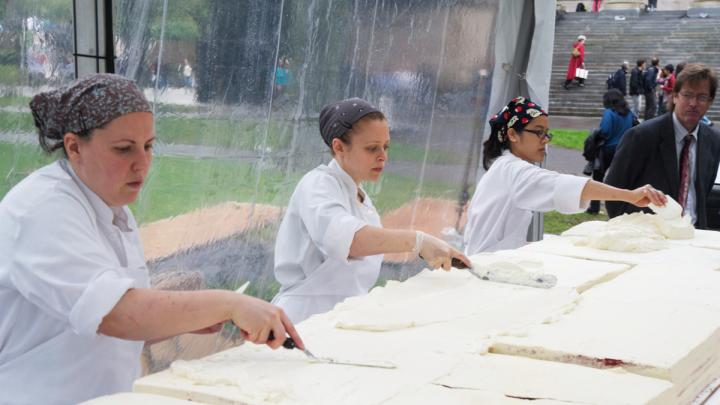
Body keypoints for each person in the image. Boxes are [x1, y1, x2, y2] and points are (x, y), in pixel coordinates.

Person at [0, 74, 303, 405]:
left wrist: (194, 315)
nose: (142, 163)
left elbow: (116, 322)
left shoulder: (112, 205)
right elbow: (116, 314)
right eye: (123, 149)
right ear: (74, 147)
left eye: (148, 146)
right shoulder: (41, 210)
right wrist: (228, 303)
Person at [271, 98, 471, 323]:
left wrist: (426, 248)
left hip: (339, 319)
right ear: (338, 147)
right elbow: (350, 241)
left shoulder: (362, 201)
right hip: (302, 319)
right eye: (372, 148)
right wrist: (419, 241)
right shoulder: (317, 185)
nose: (383, 156)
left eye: (386, 147)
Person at [463, 97, 666, 254]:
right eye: (538, 132)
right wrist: (629, 195)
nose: (545, 140)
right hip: (488, 267)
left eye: (547, 133)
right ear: (513, 135)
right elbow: (562, 185)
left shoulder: (505, 167)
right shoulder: (513, 170)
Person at [605, 63, 720, 228]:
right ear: (674, 96)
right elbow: (613, 194)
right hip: (648, 237)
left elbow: (703, 192)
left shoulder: (713, 140)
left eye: (702, 97)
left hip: (692, 235)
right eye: (687, 95)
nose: (693, 103)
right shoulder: (640, 136)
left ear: (710, 101)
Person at [586, 89, 637, 214]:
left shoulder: (609, 113)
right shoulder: (629, 113)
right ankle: (622, 207)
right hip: (624, 149)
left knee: (598, 177)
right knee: (620, 179)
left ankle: (594, 207)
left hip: (608, 149)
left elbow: (605, 130)